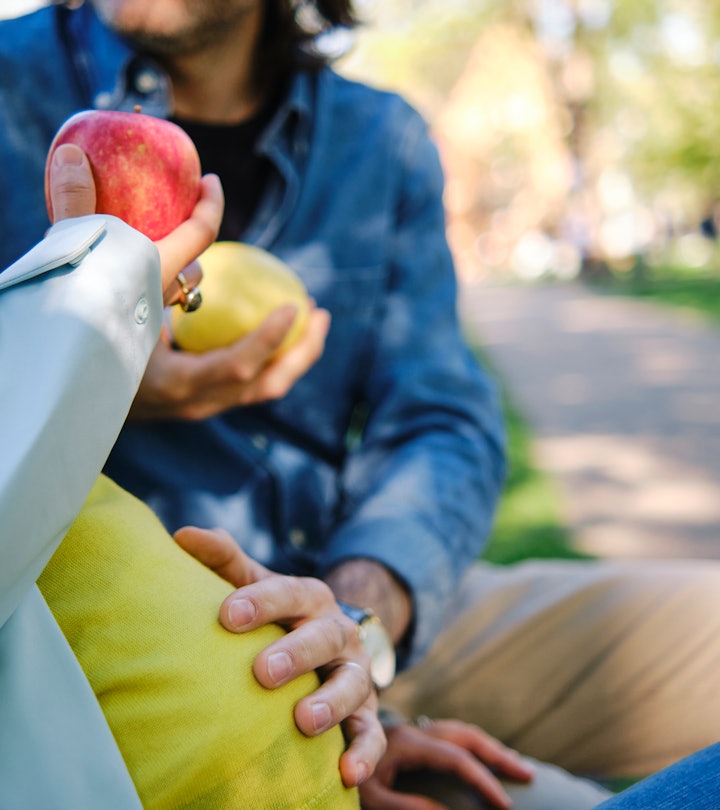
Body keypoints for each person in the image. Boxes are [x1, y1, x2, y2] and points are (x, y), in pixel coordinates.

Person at [2, 2, 720, 809]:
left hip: (366, 596)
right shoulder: (9, 98)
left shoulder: (382, 140)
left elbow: (440, 421)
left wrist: (361, 626)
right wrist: (94, 372)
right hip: (181, 662)